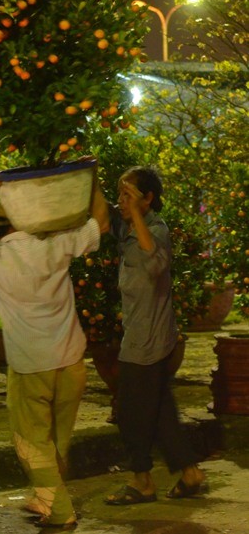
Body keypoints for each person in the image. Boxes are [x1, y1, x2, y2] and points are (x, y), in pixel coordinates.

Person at [0, 167, 109, 529]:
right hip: (71, 362)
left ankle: (61, 512)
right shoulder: (56, 245)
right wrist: (90, 182)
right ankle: (45, 498)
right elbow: (101, 221)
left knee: (32, 444)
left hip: (31, 365)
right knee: (55, 443)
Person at [103, 166, 206, 505]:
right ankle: (190, 474)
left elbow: (155, 263)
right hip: (144, 336)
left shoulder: (156, 229)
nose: (121, 202)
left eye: (129, 196)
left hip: (147, 342)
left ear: (148, 199)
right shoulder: (126, 228)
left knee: (130, 412)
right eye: (120, 195)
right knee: (161, 411)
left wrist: (134, 213)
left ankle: (141, 481)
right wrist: (86, 173)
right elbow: (97, 209)